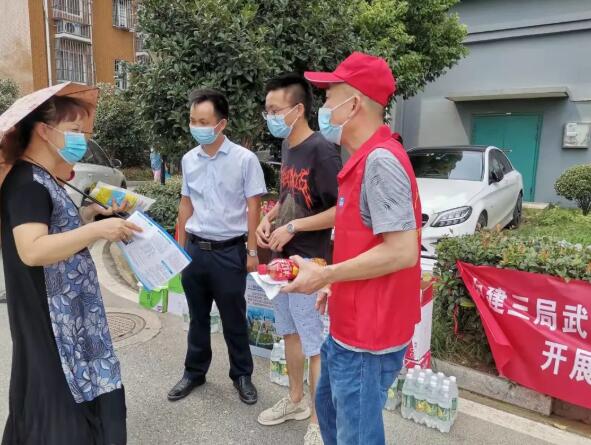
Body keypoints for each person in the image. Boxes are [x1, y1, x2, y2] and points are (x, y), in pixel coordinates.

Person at [283, 52, 423, 445]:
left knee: (356, 435)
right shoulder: (362, 160)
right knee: (329, 412)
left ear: (354, 104)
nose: (323, 108)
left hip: (367, 336)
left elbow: (401, 251)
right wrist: (335, 283)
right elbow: (359, 229)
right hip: (350, 324)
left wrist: (326, 274)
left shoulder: (380, 160)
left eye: (328, 99)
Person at [0, 89, 141, 445]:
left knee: (80, 396)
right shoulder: (26, 183)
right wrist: (97, 229)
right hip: (52, 323)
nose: (82, 138)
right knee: (60, 409)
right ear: (44, 130)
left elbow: (55, 232)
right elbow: (31, 249)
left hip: (73, 317)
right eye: (75, 129)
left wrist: (89, 216)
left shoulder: (44, 176)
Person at [257, 73, 341, 445]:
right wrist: (269, 217)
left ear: (298, 109)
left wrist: (294, 229)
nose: (269, 116)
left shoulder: (322, 149)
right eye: (267, 110)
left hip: (311, 264)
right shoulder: (289, 148)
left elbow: (341, 210)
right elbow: (291, 196)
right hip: (283, 263)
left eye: (275, 110)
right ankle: (295, 400)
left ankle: (321, 422)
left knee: (314, 343)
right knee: (289, 333)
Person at [169, 88, 267, 405]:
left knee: (233, 318)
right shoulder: (189, 159)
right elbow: (186, 205)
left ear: (221, 124)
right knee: (197, 318)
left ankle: (242, 375)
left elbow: (254, 208)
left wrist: (252, 251)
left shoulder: (244, 160)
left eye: (203, 121)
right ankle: (194, 372)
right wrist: (178, 249)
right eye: (192, 120)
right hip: (196, 251)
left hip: (229, 252)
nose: (196, 125)